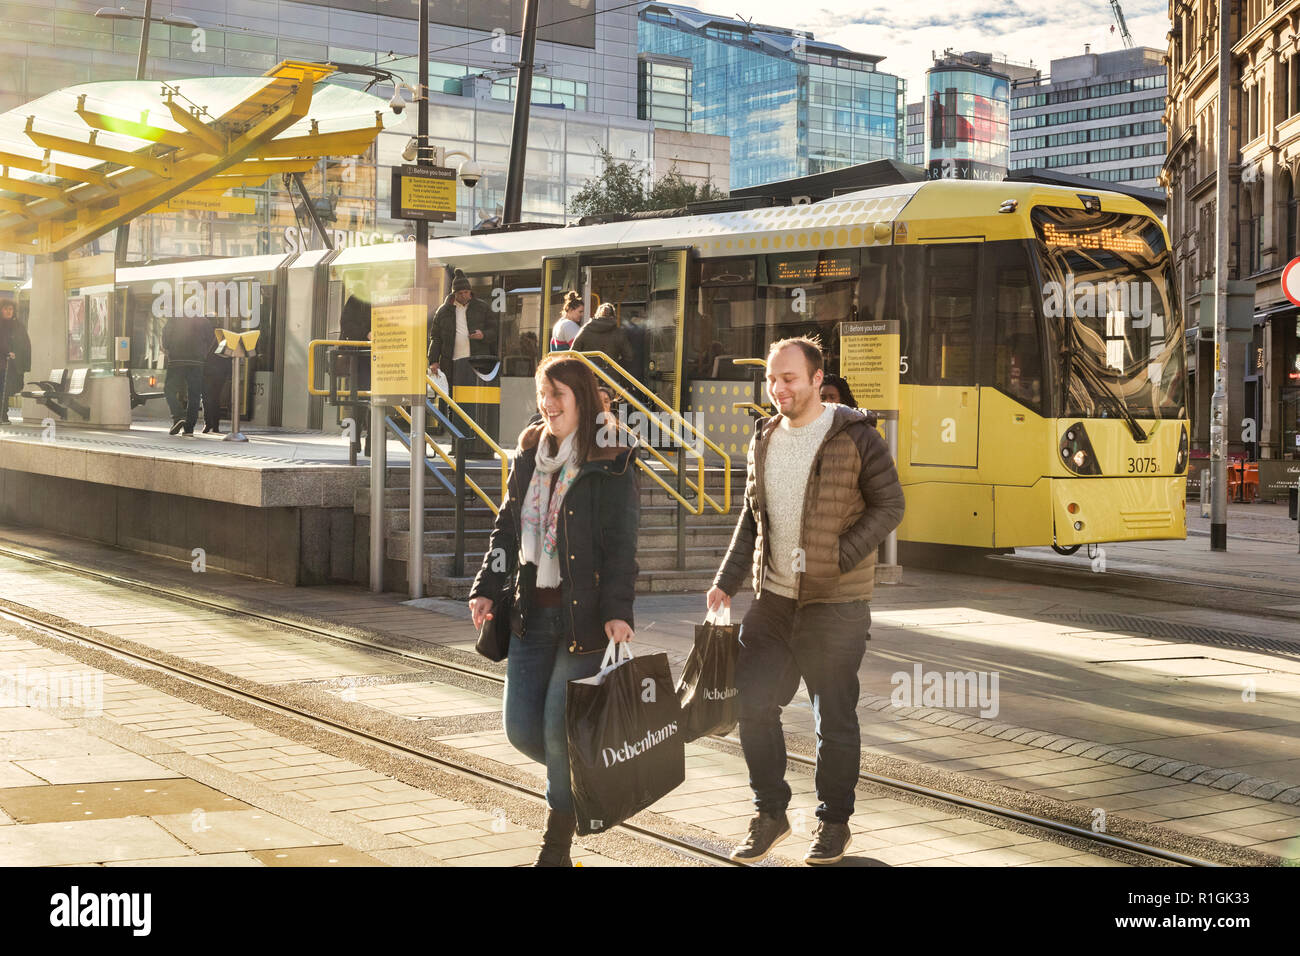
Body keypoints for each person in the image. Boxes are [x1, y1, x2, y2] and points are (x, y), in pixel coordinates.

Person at [706, 336, 904, 866]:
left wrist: (840, 556)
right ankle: (770, 812)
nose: (778, 389)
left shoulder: (855, 436)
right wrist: (727, 579)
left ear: (818, 379)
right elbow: (753, 515)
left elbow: (890, 504)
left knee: (832, 718)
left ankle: (834, 823)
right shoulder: (764, 436)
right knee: (752, 703)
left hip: (834, 604)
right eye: (772, 379)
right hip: (773, 599)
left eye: (789, 378)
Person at [468, 355, 639, 867]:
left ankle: (554, 851)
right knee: (522, 729)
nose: (548, 404)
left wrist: (618, 609)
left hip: (581, 619)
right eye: (544, 394)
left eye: (558, 395)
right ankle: (592, 776)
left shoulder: (612, 458)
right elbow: (506, 525)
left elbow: (622, 544)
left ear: (582, 399)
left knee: (555, 731)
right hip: (527, 614)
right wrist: (485, 585)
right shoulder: (529, 452)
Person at [428, 269, 498, 452]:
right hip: (452, 364)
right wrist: (433, 361)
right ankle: (457, 443)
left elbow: (495, 331)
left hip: (476, 364)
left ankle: (475, 442)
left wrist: (483, 335)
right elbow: (435, 338)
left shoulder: (482, 307)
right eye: (461, 293)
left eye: (467, 292)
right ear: (454, 294)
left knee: (474, 403)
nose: (465, 296)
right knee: (453, 404)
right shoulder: (443, 312)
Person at [161, 311, 212, 436]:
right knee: (194, 394)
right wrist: (203, 354)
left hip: (177, 360)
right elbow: (211, 339)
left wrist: (169, 349)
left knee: (169, 390)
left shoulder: (174, 318)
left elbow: (165, 338)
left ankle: (178, 416)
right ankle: (189, 428)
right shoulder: (203, 320)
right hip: (197, 362)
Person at [0, 295, 31, 424]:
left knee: (6, 390)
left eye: (11, 309)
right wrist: (6, 351)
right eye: (6, 309)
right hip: (2, 363)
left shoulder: (17, 325)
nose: (8, 311)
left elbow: (24, 343)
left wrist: (18, 354)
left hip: (12, 365)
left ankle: (3, 415)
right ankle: (3, 415)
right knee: (2, 389)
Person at [571, 302, 632, 368]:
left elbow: (573, 353)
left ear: (596, 315)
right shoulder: (618, 332)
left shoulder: (586, 329)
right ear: (613, 316)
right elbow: (629, 356)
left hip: (590, 373)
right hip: (611, 375)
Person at [201, 324, 231, 434]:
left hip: (208, 371)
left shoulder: (204, 335)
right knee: (215, 398)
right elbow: (228, 357)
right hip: (220, 373)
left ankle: (208, 423)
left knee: (206, 398)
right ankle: (215, 425)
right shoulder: (223, 336)